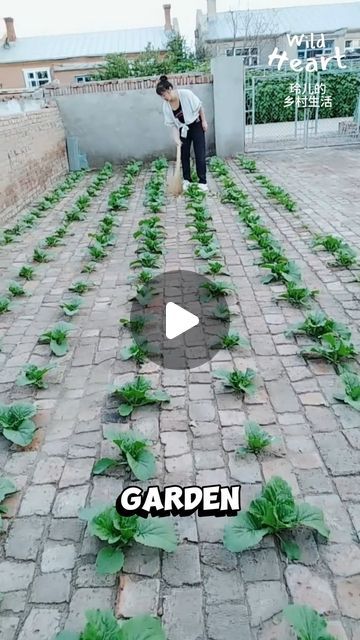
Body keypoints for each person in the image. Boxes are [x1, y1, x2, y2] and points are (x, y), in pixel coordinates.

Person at [156, 75, 208, 192]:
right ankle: (187, 180)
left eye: (164, 94)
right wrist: (176, 140)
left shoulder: (186, 94)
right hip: (183, 129)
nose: (163, 98)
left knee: (200, 153)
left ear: (169, 89)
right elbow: (173, 125)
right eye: (161, 96)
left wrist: (204, 121)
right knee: (184, 155)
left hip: (196, 125)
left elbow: (200, 107)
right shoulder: (166, 106)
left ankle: (203, 182)